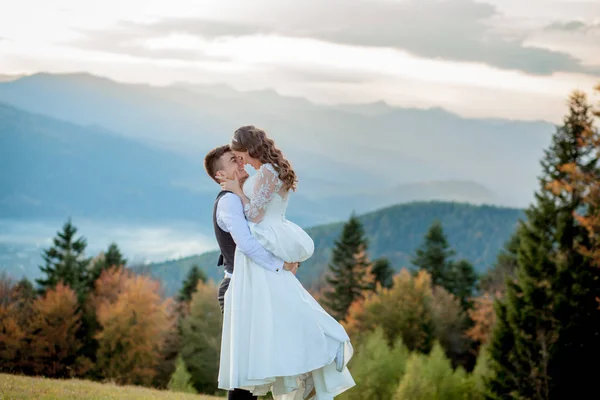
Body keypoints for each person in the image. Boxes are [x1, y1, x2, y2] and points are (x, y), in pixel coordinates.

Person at [217, 125, 355, 400]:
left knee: (287, 303)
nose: (239, 160)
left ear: (248, 149)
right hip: (268, 237)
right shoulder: (264, 171)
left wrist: (236, 190)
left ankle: (331, 339)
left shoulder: (267, 171)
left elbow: (254, 215)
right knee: (282, 307)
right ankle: (312, 356)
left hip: (266, 234)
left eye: (239, 154)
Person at [204, 145, 300, 400]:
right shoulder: (228, 202)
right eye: (233, 161)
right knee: (245, 373)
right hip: (238, 290)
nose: (241, 164)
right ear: (220, 176)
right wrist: (280, 266)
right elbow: (246, 244)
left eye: (240, 158)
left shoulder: (241, 196)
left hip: (253, 287)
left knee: (254, 370)